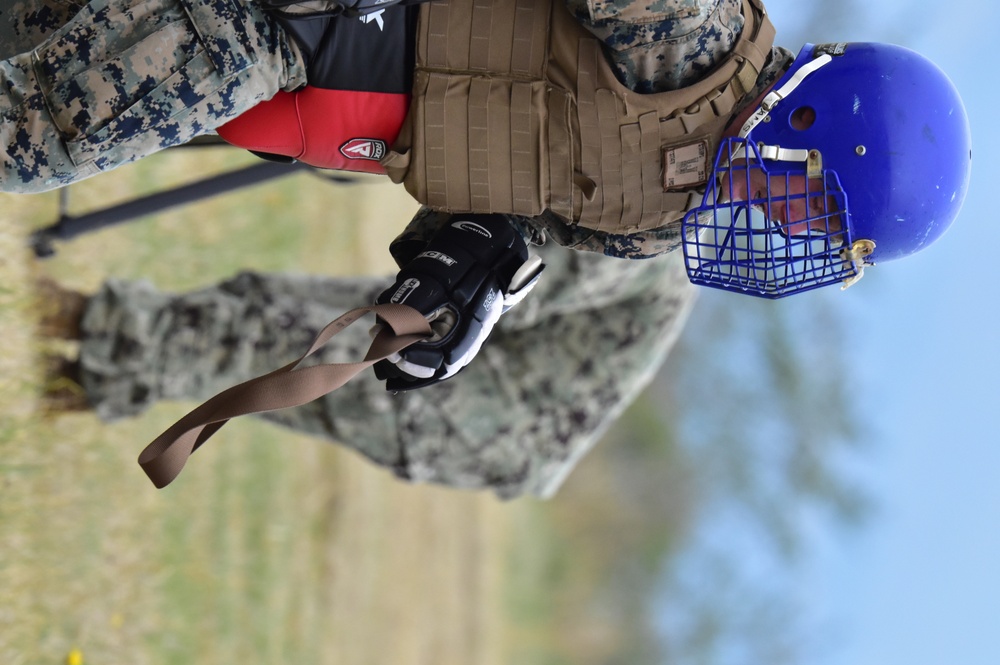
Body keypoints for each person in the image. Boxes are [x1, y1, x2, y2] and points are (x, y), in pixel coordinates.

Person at [6, 2, 971, 395]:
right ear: (816, 124)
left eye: (824, 238)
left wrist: (463, 270)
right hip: (295, 23)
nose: (793, 226)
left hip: (313, 102)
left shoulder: (659, 221)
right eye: (821, 209)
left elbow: (520, 190)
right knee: (30, 133)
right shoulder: (698, 33)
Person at [37, 240, 697, 499]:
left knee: (266, 341)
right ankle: (82, 381)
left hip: (484, 413)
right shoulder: (652, 214)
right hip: (470, 362)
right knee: (260, 297)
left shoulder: (656, 243)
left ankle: (71, 317)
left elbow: (506, 291)